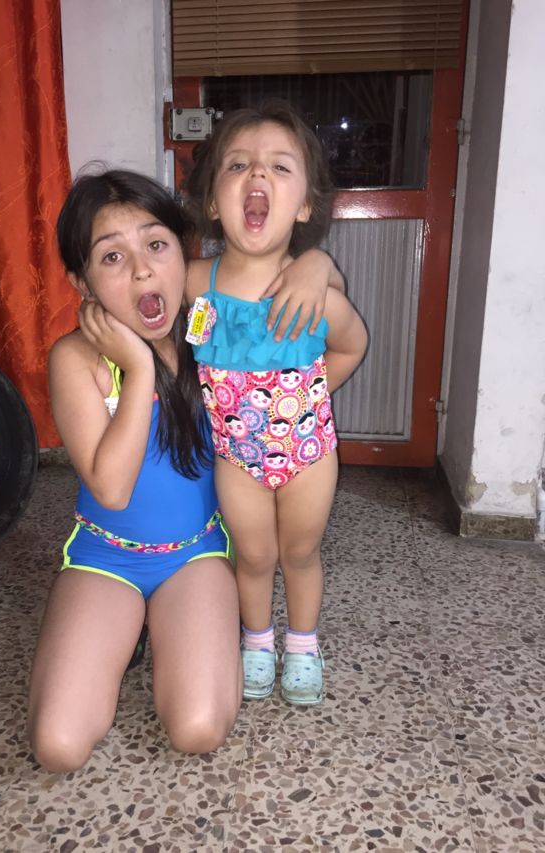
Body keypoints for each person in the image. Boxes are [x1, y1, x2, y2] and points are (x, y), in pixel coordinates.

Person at [27, 168, 341, 772]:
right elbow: (111, 488)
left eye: (156, 245)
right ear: (81, 281)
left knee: (198, 729)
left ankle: (160, 629)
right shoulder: (75, 359)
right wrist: (139, 370)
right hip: (106, 555)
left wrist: (318, 263)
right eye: (111, 256)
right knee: (58, 747)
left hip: (197, 555)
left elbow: (291, 300)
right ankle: (131, 629)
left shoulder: (211, 330)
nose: (142, 271)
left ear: (185, 254)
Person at [185, 101, 369, 706]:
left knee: (300, 552)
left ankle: (304, 646)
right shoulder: (196, 281)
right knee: (255, 554)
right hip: (235, 457)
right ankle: (258, 642)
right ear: (214, 201)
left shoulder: (314, 291)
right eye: (238, 164)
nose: (258, 174)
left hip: (308, 454)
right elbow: (143, 291)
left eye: (280, 167)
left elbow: (352, 344)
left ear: (305, 205)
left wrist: (309, 398)